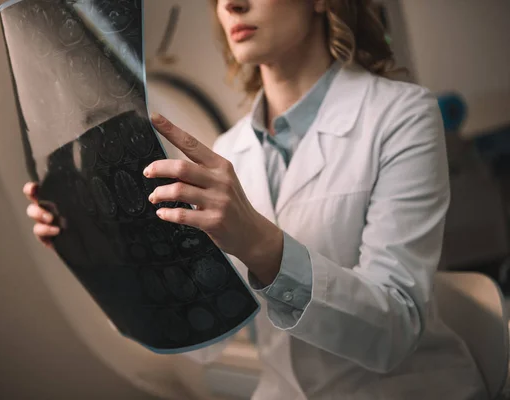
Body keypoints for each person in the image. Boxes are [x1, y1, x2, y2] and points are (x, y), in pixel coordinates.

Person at [24, 0, 487, 398]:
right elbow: (205, 342)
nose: (232, 4)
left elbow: (394, 333)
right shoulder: (226, 152)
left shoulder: (402, 116)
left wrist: (259, 243)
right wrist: (103, 252)